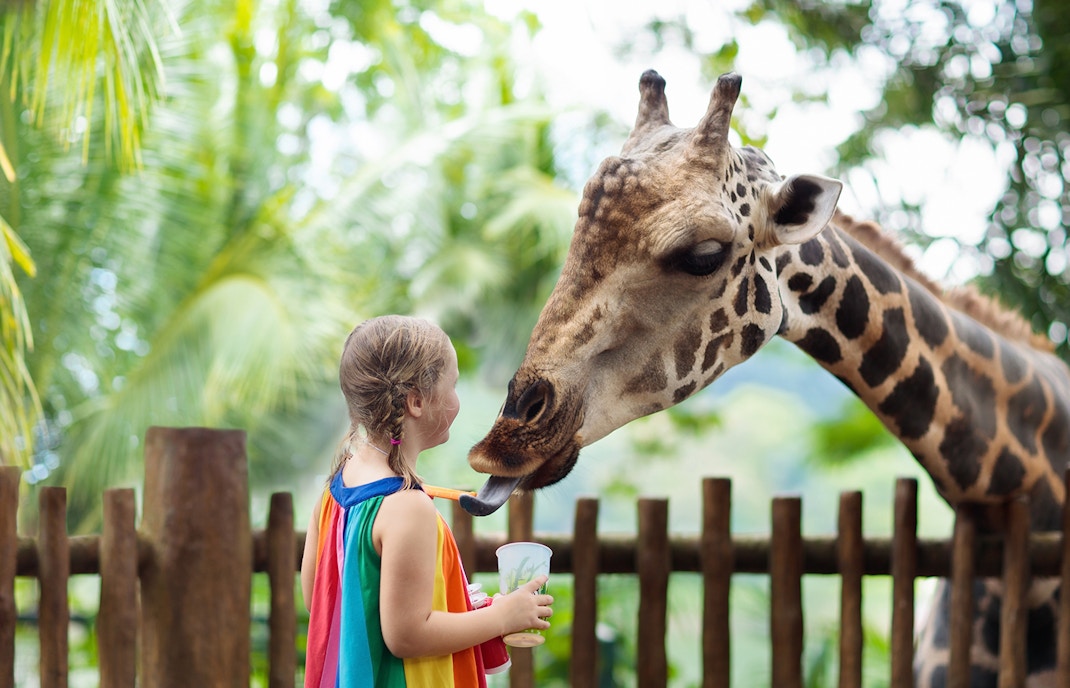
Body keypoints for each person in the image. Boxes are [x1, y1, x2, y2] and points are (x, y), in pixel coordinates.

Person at [301, 315, 553, 687]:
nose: (457, 399)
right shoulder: (406, 506)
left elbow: (319, 598)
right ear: (416, 401)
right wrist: (502, 618)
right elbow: (408, 635)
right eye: (452, 385)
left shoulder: (337, 486)